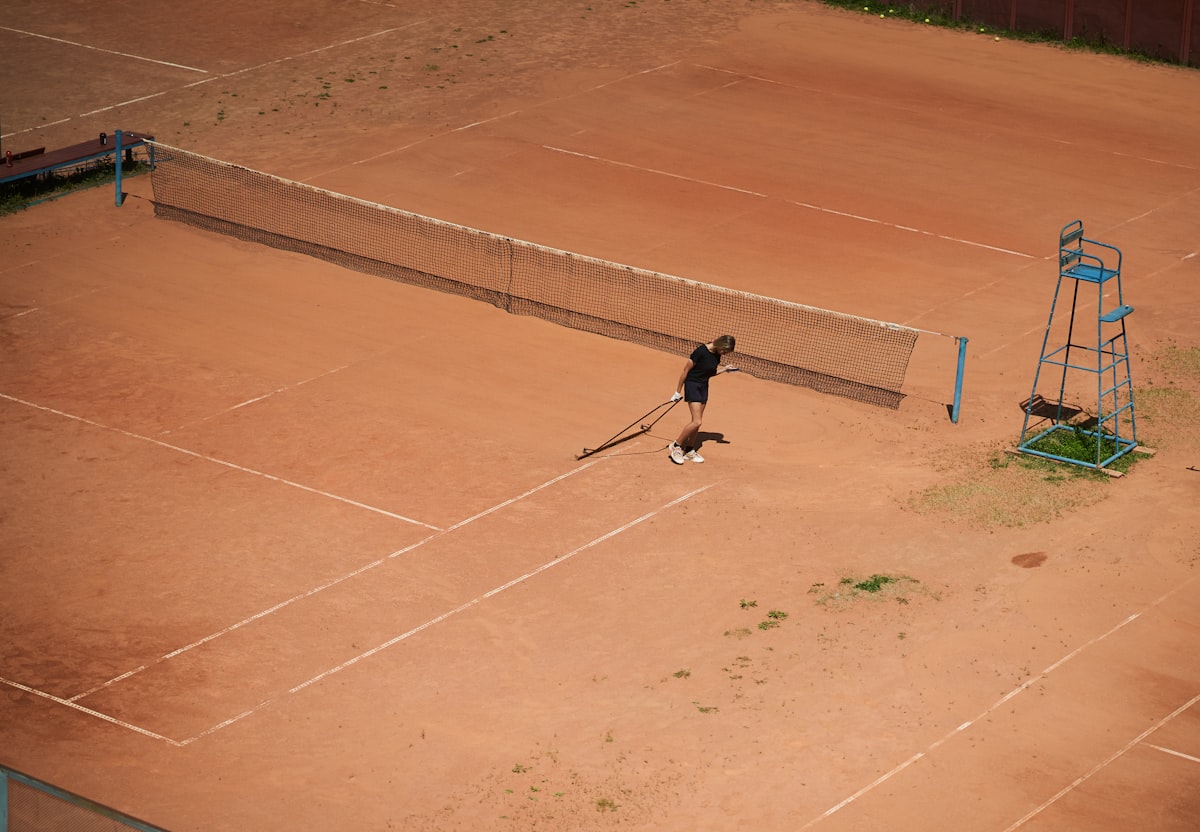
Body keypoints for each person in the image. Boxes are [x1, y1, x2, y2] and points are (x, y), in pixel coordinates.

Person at [668, 335, 737, 464]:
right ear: (721, 345)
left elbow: (708, 373)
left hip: (703, 387)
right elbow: (685, 371)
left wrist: (724, 369)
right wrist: (677, 391)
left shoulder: (717, 354)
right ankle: (676, 446)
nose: (724, 353)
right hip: (693, 385)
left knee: (697, 421)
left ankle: (689, 450)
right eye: (725, 351)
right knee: (697, 421)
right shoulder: (700, 352)